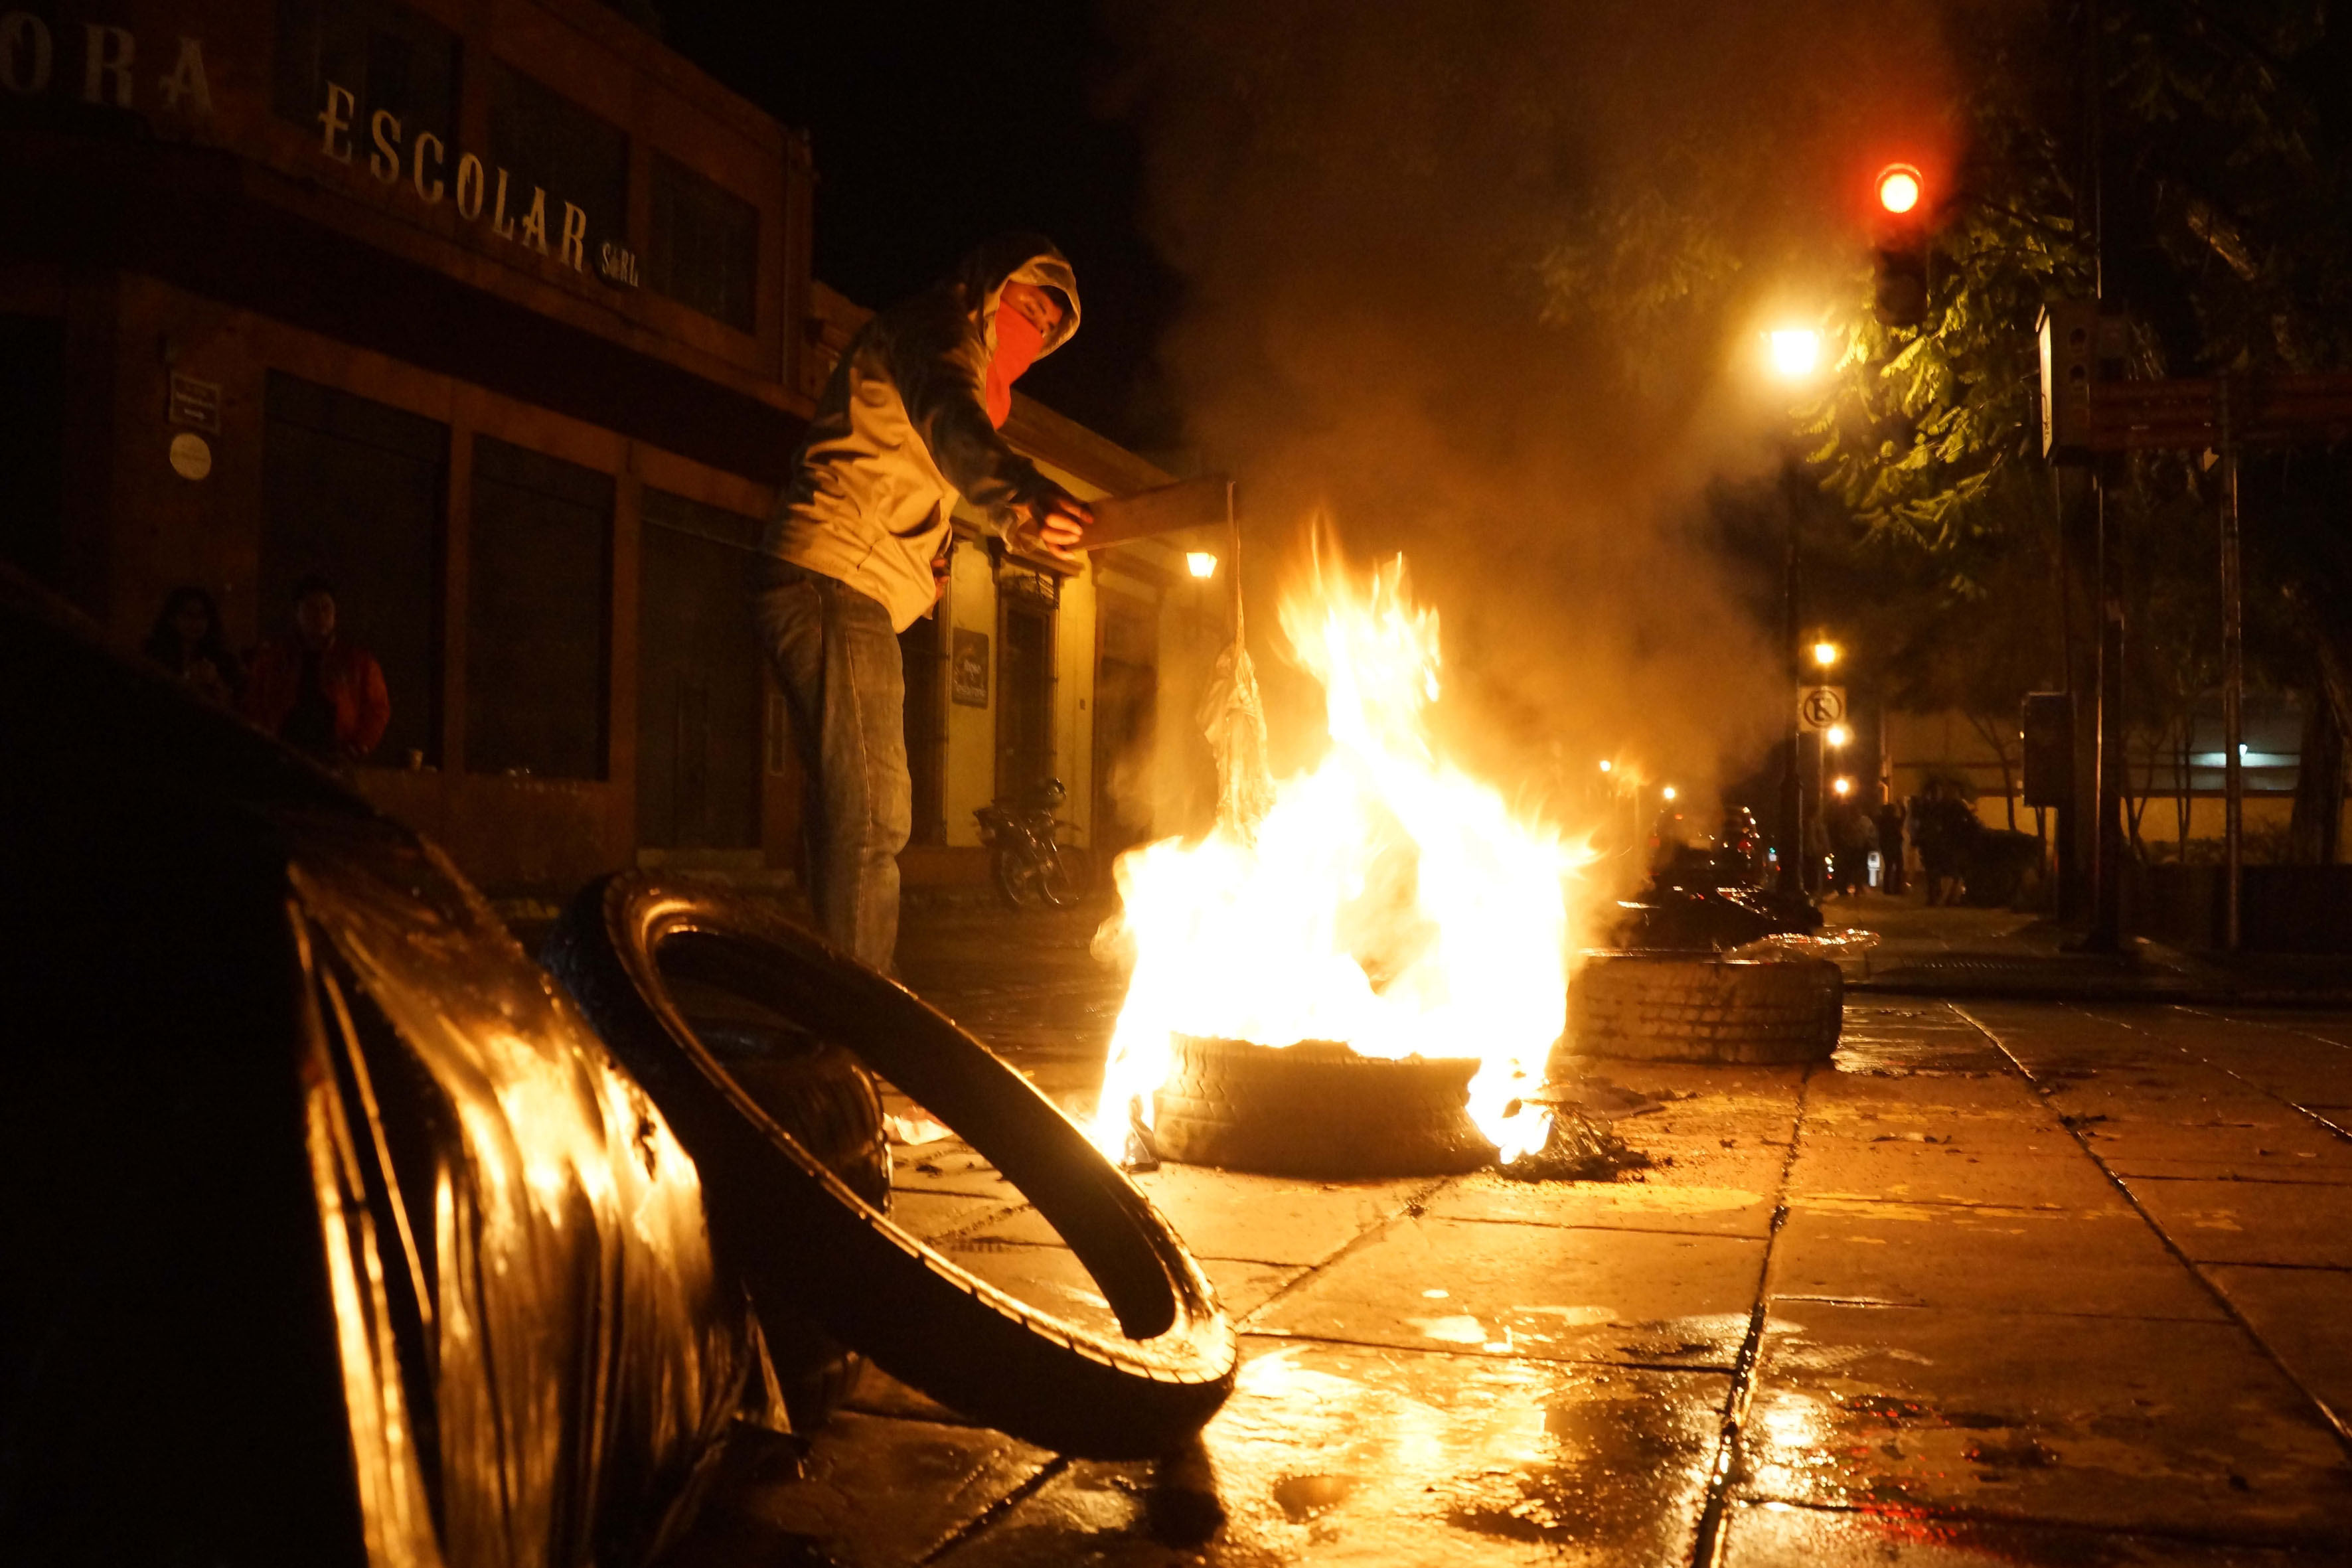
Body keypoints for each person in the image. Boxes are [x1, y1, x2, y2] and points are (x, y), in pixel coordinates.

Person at [757, 234, 1092, 972]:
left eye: (1048, 325)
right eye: (1026, 304)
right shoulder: (938, 333)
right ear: (987, 287)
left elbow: (924, 461)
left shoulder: (956, 361)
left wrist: (935, 557)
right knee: (877, 813)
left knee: (843, 818)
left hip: (843, 584)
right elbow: (952, 421)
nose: (1031, 329)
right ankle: (860, 1026)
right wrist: (1020, 495)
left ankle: (824, 1007)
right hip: (834, 579)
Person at [242, 574, 390, 765]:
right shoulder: (273, 660)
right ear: (297, 613)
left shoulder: (358, 662)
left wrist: (360, 745)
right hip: (282, 753)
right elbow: (253, 702)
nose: (320, 615)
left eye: (326, 608)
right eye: (311, 608)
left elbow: (377, 708)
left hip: (337, 755)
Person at [141, 585, 242, 706]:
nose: (196, 623)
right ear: (172, 619)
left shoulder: (221, 660)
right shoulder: (155, 657)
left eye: (202, 616)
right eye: (188, 615)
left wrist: (218, 685)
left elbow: (232, 705)